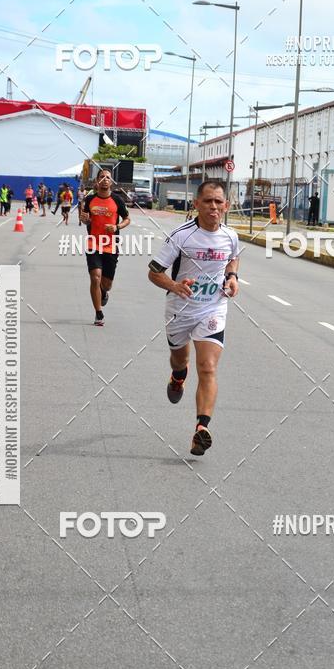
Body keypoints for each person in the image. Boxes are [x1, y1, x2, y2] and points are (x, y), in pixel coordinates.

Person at [147, 179, 240, 456]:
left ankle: (201, 428)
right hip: (180, 308)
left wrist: (232, 276)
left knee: (208, 366)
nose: (213, 206)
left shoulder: (231, 236)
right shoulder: (181, 236)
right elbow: (153, 271)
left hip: (213, 308)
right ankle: (178, 376)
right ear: (196, 204)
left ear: (226, 205)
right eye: (208, 201)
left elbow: (233, 258)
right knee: (181, 359)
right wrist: (175, 285)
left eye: (218, 201)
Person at [80, 169, 130, 327]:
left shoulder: (117, 200)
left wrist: (117, 227)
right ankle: (98, 313)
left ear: (111, 182)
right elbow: (85, 219)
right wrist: (85, 219)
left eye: (108, 177)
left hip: (111, 246)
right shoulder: (90, 199)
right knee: (95, 277)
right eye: (102, 177)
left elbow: (127, 219)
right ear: (97, 181)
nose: (105, 179)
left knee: (106, 284)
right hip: (93, 244)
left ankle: (103, 292)